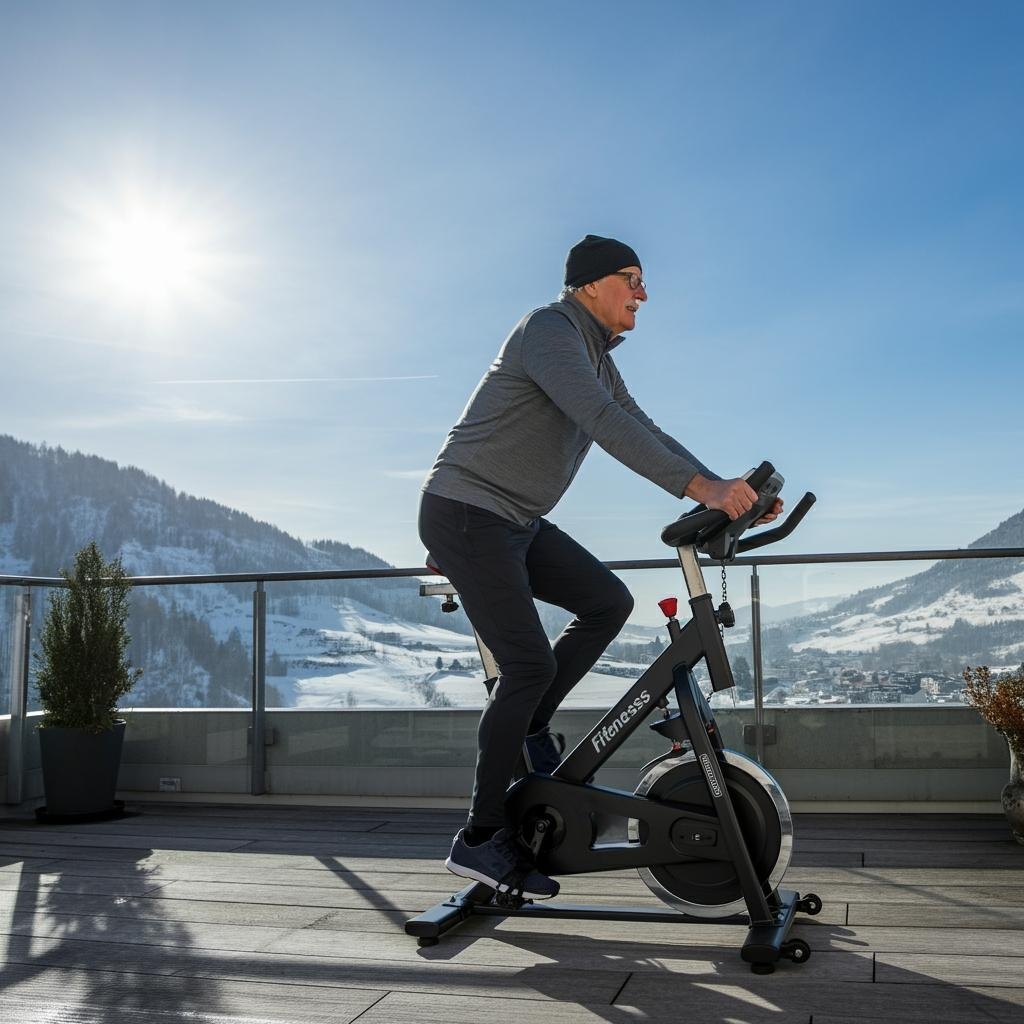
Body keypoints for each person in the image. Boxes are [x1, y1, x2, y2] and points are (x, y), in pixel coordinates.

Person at [418, 233, 781, 899]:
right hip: (467, 513)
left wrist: (731, 492)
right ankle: (477, 839)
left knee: (607, 602)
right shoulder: (550, 330)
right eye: (632, 278)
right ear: (591, 284)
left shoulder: (595, 354)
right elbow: (602, 422)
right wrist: (702, 490)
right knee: (527, 666)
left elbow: (640, 423)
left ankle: (528, 732)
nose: (644, 293)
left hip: (516, 520)